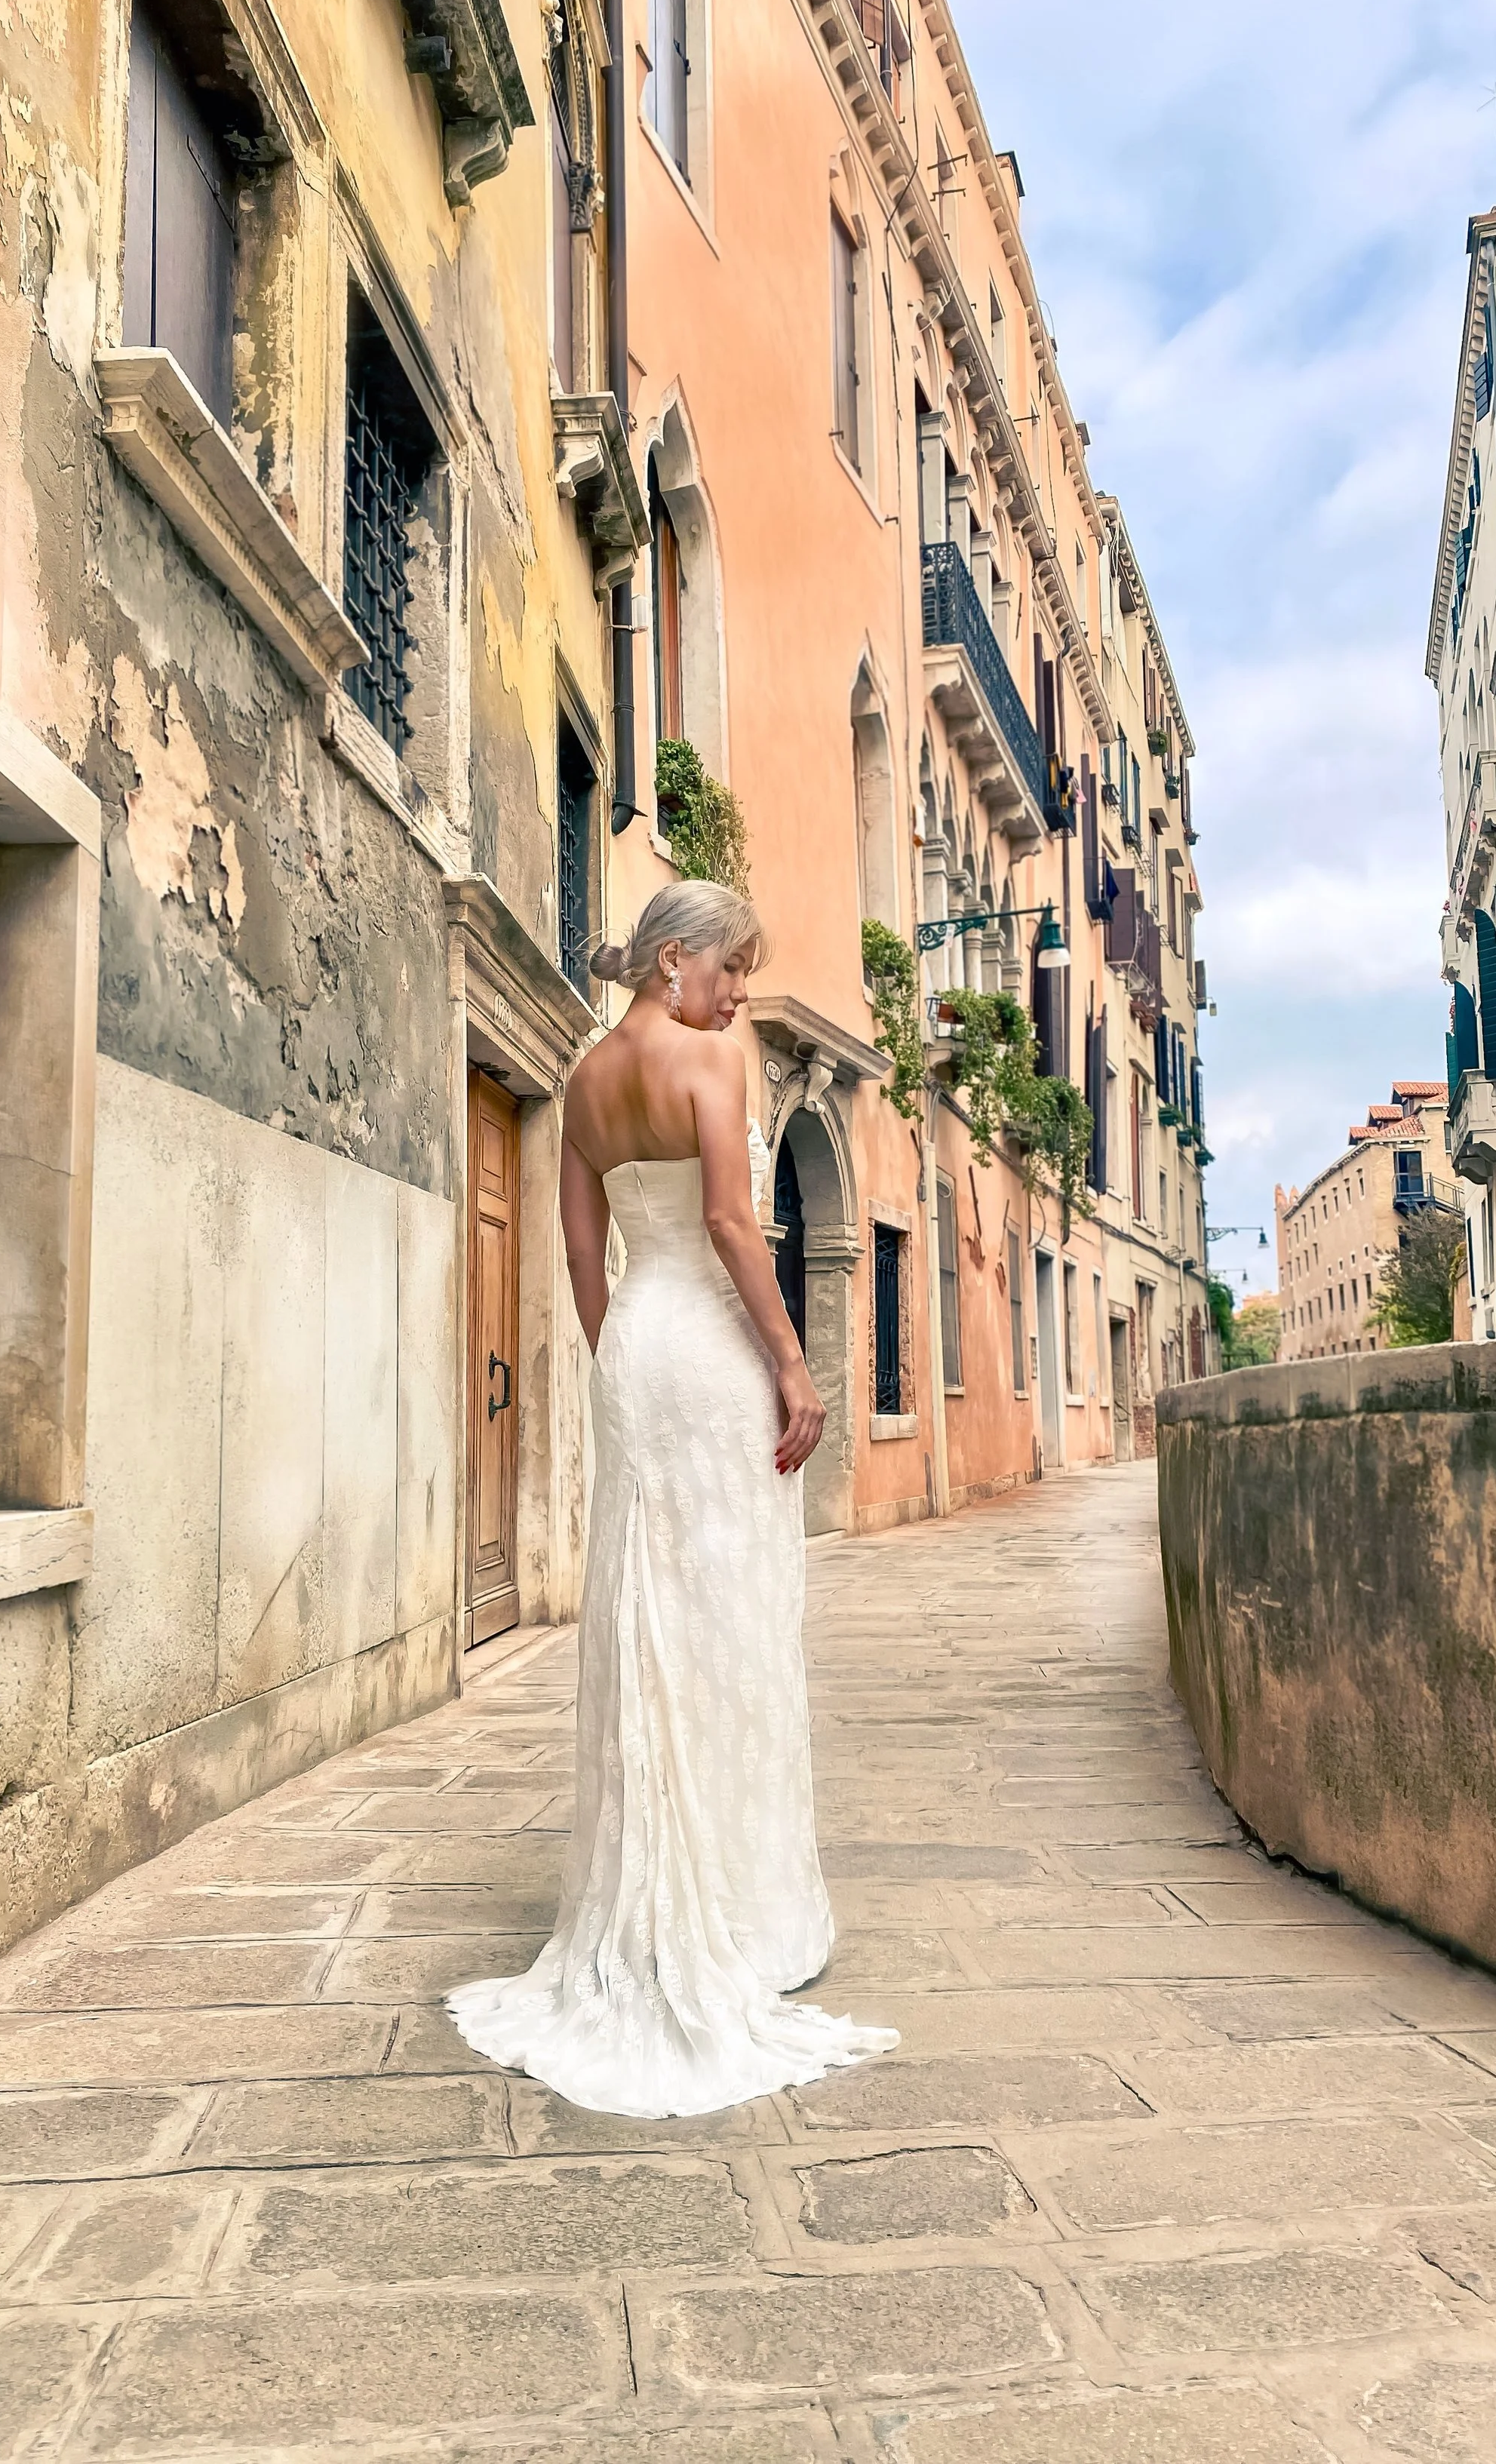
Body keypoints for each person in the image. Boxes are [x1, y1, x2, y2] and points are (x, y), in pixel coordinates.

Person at [447, 880, 897, 2116]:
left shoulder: (586, 1082)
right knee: (727, 1618)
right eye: (730, 968)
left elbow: (588, 1260)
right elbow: (733, 1227)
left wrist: (619, 1362)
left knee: (647, 1612)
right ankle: (747, 1919)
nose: (741, 993)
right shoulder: (714, 1061)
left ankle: (646, 1894)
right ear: (671, 967)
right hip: (711, 1350)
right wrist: (793, 1364)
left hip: (639, 1349)